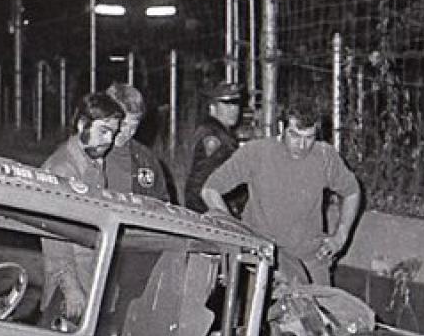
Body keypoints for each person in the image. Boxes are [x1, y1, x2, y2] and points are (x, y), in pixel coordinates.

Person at [200, 99, 361, 285]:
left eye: (309, 137)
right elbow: (210, 189)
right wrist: (234, 233)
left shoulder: (325, 157)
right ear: (281, 127)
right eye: (295, 136)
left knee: (323, 303)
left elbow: (352, 191)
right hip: (260, 260)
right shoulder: (256, 153)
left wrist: (340, 236)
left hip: (308, 260)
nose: (302, 145)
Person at [41, 91, 125, 323]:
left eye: (113, 133)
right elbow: (53, 233)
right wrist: (70, 287)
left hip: (90, 277)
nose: (109, 140)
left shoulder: (91, 163)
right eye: (104, 131)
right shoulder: (63, 169)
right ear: (82, 124)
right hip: (73, 287)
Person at [101, 82, 173, 202]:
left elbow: (162, 202)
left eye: (134, 126)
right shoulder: (90, 153)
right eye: (123, 124)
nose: (127, 132)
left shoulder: (146, 159)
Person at [184, 81, 242, 212]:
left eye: (235, 103)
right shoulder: (213, 136)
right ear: (212, 108)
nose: (233, 109)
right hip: (210, 211)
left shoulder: (223, 134)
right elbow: (201, 183)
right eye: (226, 104)